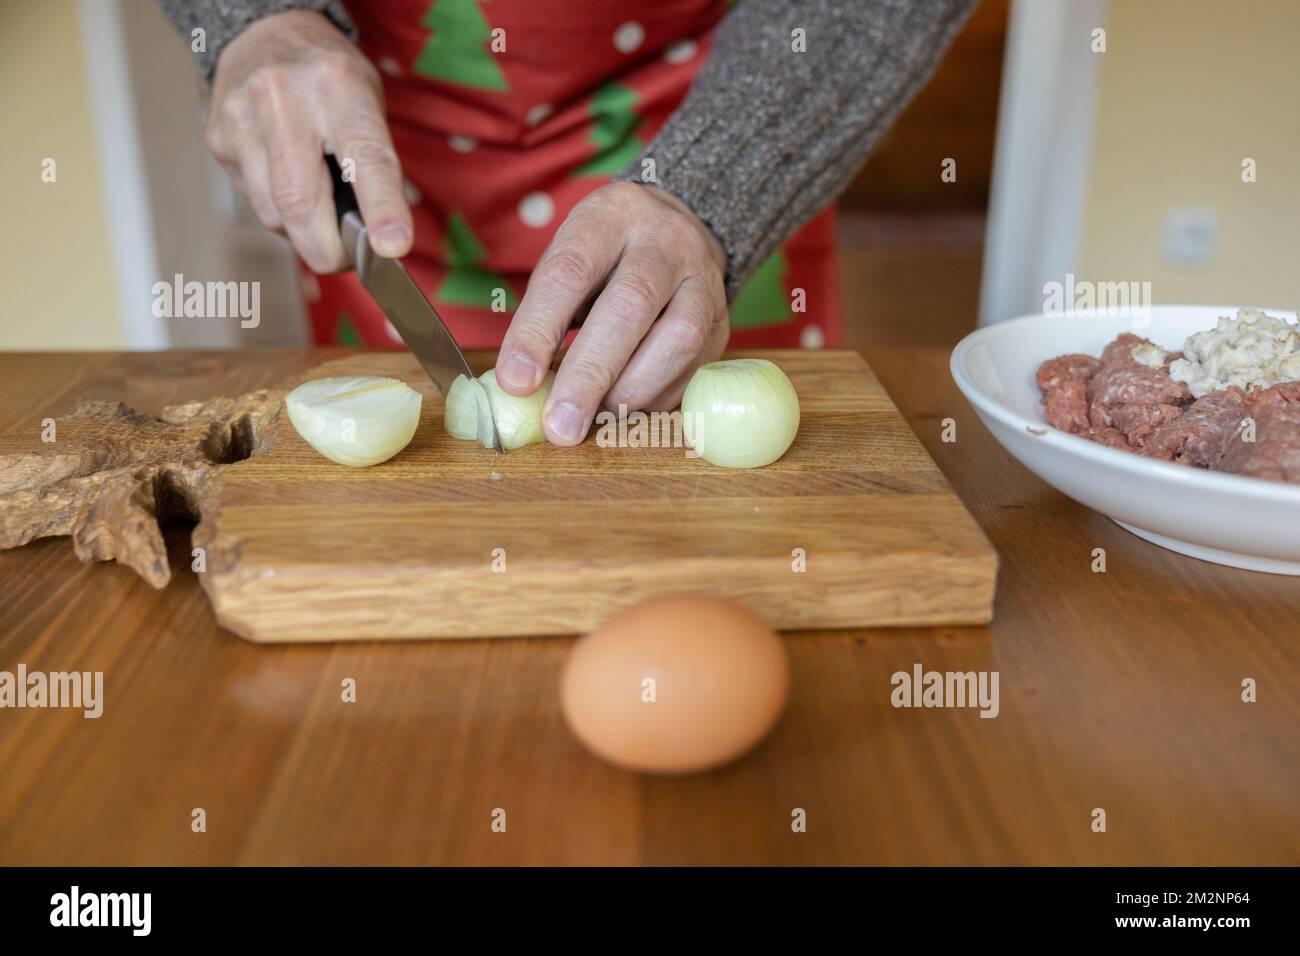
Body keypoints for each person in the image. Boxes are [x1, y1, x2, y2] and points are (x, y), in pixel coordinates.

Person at [161, 0, 976, 445]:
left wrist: (718, 189)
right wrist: (248, 18)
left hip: (721, 121)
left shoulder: (732, 163)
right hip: (382, 158)